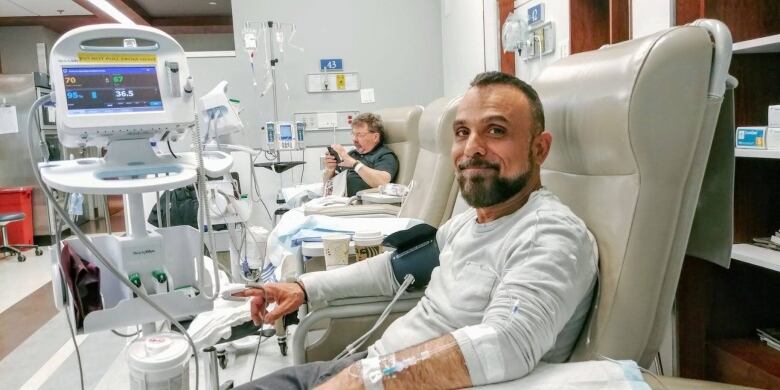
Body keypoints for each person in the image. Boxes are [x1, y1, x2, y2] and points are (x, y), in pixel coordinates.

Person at [235, 71, 598, 389]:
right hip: (373, 368)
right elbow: (393, 270)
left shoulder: (550, 234)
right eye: (461, 132)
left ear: (539, 148)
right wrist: (302, 287)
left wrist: (362, 381)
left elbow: (508, 342)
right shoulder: (467, 225)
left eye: (496, 131)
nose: (472, 148)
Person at [323, 112, 399, 196]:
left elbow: (382, 182)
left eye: (360, 135)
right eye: (353, 134)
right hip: (338, 199)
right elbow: (329, 184)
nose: (354, 139)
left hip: (362, 204)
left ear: (375, 137)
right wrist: (330, 170)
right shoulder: (352, 154)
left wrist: (355, 164)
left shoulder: (385, 156)